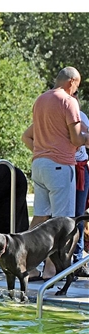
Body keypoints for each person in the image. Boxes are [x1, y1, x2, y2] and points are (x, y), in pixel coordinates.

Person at [21, 66, 88, 279]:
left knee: (40, 217)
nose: (76, 90)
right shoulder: (69, 101)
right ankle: (51, 271)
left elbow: (29, 135)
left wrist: (45, 152)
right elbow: (77, 140)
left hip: (39, 165)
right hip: (60, 167)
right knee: (62, 222)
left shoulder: (41, 100)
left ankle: (26, 265)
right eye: (77, 85)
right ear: (71, 82)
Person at [73, 91, 89, 277]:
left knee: (79, 215)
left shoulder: (81, 116)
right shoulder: (56, 113)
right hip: (65, 166)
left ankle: (77, 259)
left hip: (81, 168)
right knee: (69, 217)